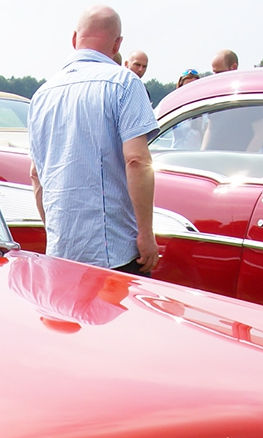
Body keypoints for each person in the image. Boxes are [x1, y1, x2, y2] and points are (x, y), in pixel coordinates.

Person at [27, 5, 159, 274]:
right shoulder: (125, 83)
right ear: (117, 44)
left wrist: (54, 230)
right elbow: (136, 160)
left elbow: (36, 174)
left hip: (62, 248)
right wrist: (146, 234)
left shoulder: (42, 94)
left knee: (63, 317)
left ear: (74, 39)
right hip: (113, 251)